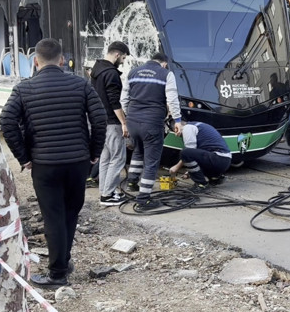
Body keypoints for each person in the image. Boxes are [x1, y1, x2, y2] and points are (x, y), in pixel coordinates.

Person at [0, 38, 106, 289]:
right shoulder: (80, 84)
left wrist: (24, 157)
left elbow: (6, 121)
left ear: (35, 62)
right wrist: (94, 152)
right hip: (78, 161)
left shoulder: (24, 89)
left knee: (53, 216)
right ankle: (63, 262)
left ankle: (58, 274)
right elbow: (100, 119)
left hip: (45, 164)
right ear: (62, 60)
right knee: (70, 213)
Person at [121, 56, 182, 211]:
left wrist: (130, 115)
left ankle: (132, 182)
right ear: (164, 63)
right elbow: (172, 99)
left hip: (132, 121)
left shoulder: (133, 72)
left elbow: (123, 99)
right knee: (152, 161)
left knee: (138, 150)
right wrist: (177, 120)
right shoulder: (166, 74)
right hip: (152, 122)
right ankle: (143, 200)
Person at [91, 41, 130, 206]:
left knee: (106, 158)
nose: (123, 61)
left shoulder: (96, 70)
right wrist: (124, 122)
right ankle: (107, 195)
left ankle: (105, 191)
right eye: (123, 57)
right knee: (118, 158)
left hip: (99, 121)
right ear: (117, 54)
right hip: (112, 122)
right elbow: (114, 102)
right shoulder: (111, 74)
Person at [168, 121, 232, 191]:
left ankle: (201, 184)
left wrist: (176, 167)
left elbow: (189, 152)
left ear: (176, 129)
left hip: (218, 158)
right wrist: (190, 172)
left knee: (185, 153)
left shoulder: (188, 128)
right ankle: (215, 177)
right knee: (191, 155)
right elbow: (198, 155)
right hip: (224, 160)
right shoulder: (197, 125)